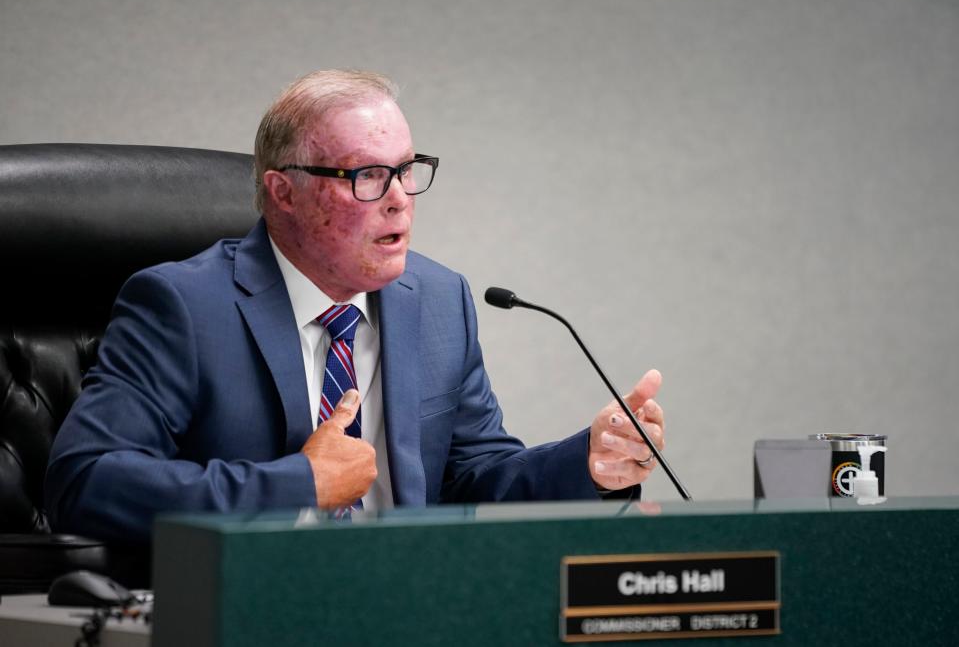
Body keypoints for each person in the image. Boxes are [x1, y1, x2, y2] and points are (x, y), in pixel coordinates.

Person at [44, 70, 665, 544]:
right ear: (283, 192)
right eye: (367, 176)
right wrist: (298, 486)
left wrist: (585, 463)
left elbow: (471, 482)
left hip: (409, 606)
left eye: (407, 170)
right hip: (254, 610)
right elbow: (86, 480)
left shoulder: (440, 300)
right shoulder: (183, 305)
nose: (400, 200)